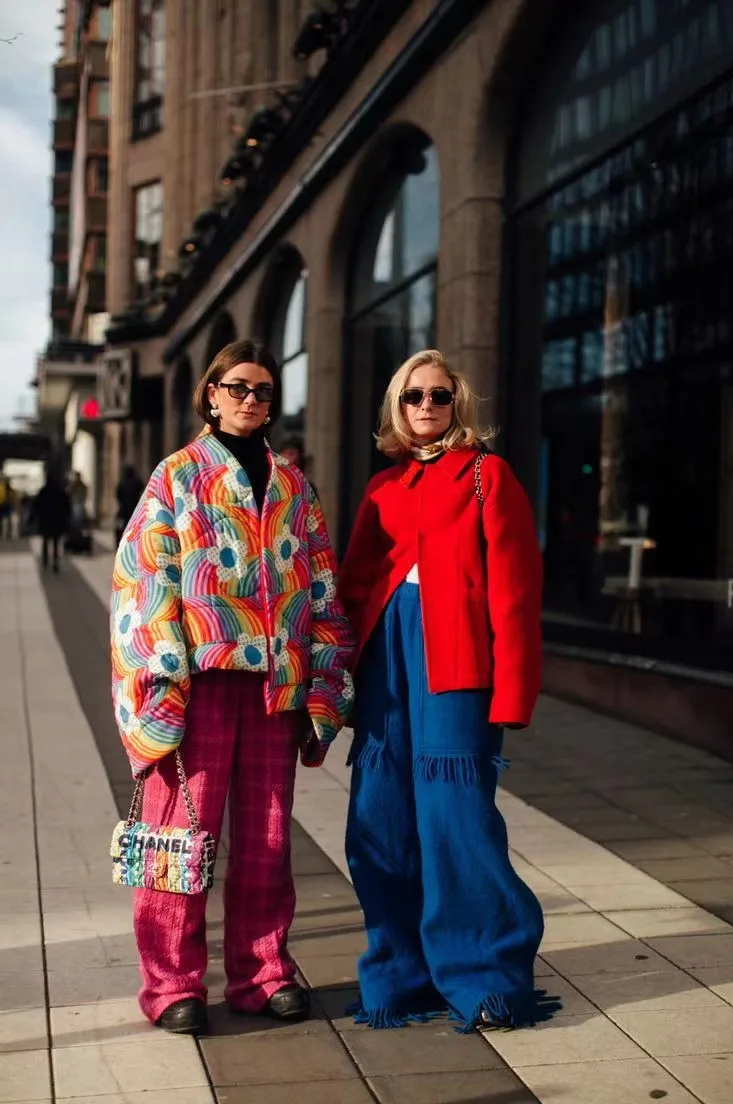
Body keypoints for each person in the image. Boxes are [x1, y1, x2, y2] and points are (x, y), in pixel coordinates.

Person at [111, 339, 355, 1037]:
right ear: (211, 393)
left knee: (268, 842)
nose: (252, 400)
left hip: (277, 689)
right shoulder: (176, 477)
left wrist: (325, 687)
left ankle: (264, 972)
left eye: (264, 392)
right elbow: (142, 582)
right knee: (177, 839)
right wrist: (162, 684)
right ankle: (171, 984)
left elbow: (323, 587)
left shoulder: (295, 487)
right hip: (201, 686)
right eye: (239, 387)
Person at [338, 349, 545, 1033]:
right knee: (379, 820)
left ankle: (486, 976)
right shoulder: (382, 488)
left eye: (439, 395)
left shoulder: (488, 475)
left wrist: (513, 693)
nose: (426, 406)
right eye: (413, 397)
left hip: (456, 665)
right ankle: (399, 975)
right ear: (396, 407)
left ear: (457, 404)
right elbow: (354, 586)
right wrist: (331, 680)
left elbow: (515, 593)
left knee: (454, 818)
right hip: (385, 669)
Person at [34, 472, 72, 573]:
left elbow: (36, 505)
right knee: (56, 542)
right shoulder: (60, 492)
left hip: (46, 520)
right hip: (57, 520)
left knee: (45, 540)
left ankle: (45, 559)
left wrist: (35, 517)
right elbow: (67, 505)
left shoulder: (43, 491)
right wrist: (67, 517)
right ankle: (55, 560)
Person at [115, 464, 145, 546]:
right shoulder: (137, 482)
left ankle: (120, 545)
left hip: (123, 511)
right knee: (134, 529)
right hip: (134, 511)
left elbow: (118, 496)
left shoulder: (122, 483)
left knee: (120, 529)